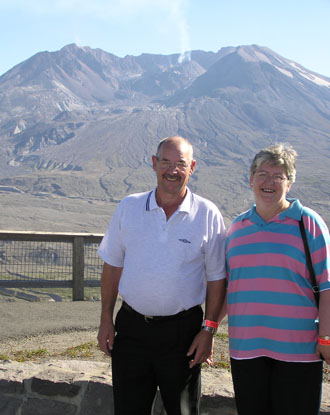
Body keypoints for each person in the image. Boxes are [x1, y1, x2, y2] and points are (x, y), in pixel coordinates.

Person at [97, 136, 227, 415]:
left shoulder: (207, 214)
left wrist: (209, 330)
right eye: (166, 162)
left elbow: (217, 279)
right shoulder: (129, 207)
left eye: (180, 163)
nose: (172, 170)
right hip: (131, 329)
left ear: (192, 167)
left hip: (183, 334)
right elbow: (112, 266)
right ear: (155, 164)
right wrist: (106, 318)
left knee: (183, 411)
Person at [225, 143, 330, 415]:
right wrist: (208, 328)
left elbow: (328, 287)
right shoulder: (237, 229)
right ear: (251, 180)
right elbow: (229, 288)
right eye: (262, 174)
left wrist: (326, 339)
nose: (269, 182)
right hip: (246, 349)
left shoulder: (308, 223)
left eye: (278, 176)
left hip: (299, 351)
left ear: (289, 183)